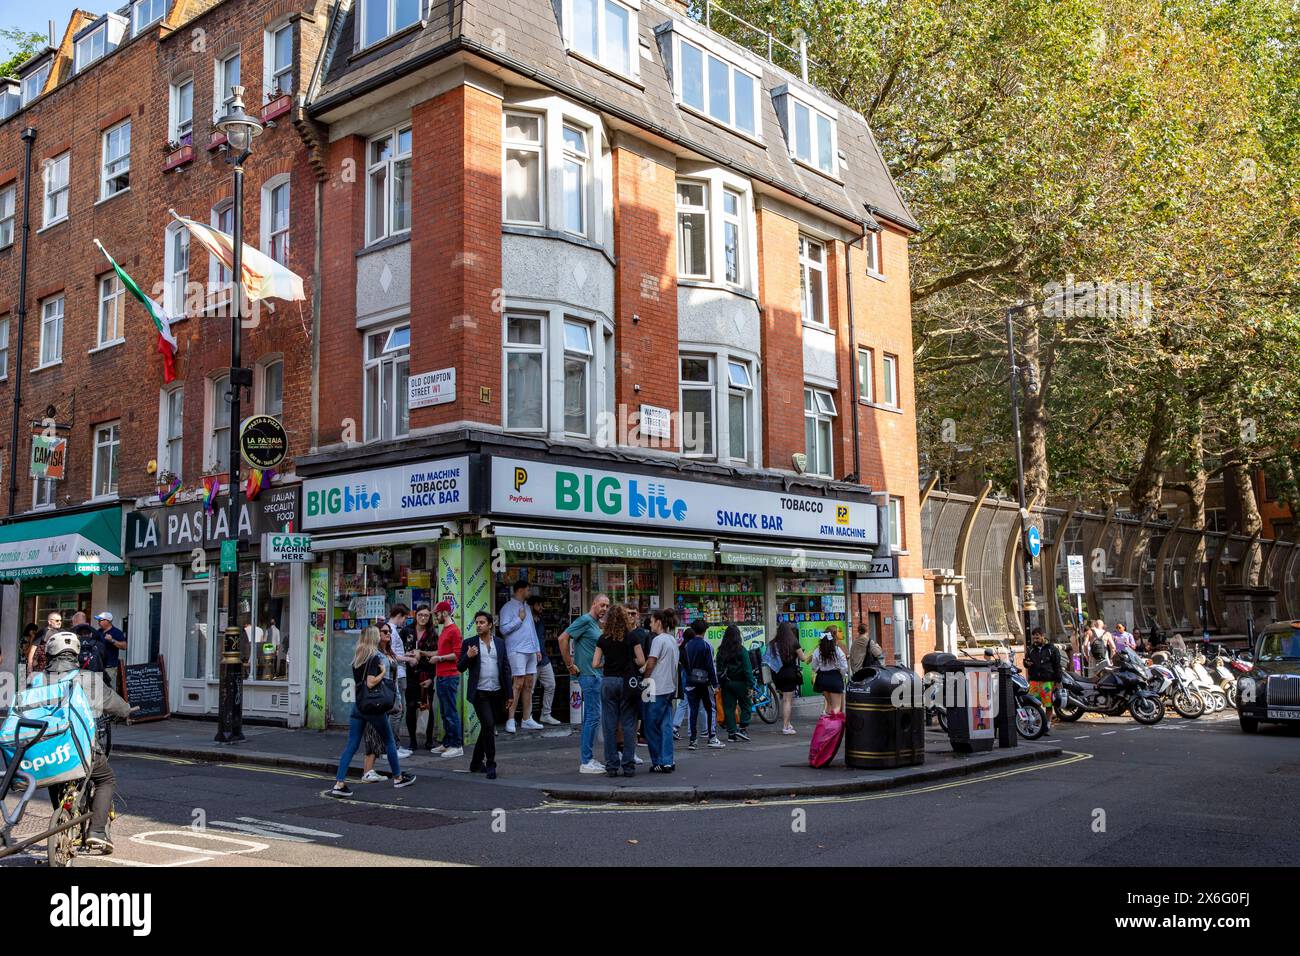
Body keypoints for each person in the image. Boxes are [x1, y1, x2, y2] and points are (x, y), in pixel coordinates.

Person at [41, 630, 134, 852]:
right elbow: (118, 706)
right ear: (76, 654)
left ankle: (62, 815)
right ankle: (98, 831)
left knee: (55, 775)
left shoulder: (39, 680)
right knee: (106, 780)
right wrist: (128, 712)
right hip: (82, 748)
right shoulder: (88, 679)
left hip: (49, 748)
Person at [330, 626, 416, 797]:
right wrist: (383, 672)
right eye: (378, 635)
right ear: (373, 638)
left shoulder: (358, 658)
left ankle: (339, 784)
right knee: (389, 741)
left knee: (352, 745)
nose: (381, 637)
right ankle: (398, 778)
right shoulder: (374, 657)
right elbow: (370, 683)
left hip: (358, 706)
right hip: (372, 707)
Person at [591, 603, 647, 777]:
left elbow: (595, 663)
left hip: (608, 682)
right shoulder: (632, 637)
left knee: (609, 725)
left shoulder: (603, 639)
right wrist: (630, 661)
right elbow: (641, 661)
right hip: (626, 682)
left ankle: (612, 765)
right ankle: (628, 765)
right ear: (624, 618)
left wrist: (606, 663)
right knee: (629, 725)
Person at [558, 593, 610, 774]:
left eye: (607, 606)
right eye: (602, 605)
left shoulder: (595, 624)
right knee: (593, 717)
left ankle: (588, 758)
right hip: (589, 675)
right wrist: (569, 665)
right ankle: (586, 761)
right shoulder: (585, 620)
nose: (604, 609)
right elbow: (562, 638)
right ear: (594, 603)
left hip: (595, 674)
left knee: (592, 717)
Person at [459, 611, 512, 779]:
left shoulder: (500, 643)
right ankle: (491, 763)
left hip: (497, 692)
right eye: (476, 622)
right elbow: (460, 667)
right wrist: (468, 656)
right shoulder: (470, 643)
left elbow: (505, 668)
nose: (478, 625)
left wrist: (510, 694)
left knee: (487, 727)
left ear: (490, 625)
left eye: (482, 622)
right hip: (479, 693)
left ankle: (475, 763)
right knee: (489, 725)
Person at [360, 623, 404, 781]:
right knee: (373, 733)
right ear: (377, 634)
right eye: (385, 631)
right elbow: (372, 679)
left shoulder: (388, 652)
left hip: (388, 696)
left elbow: (394, 679)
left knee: (381, 735)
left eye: (390, 631)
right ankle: (369, 770)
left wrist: (397, 698)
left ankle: (371, 771)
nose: (389, 634)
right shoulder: (374, 654)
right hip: (377, 697)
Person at [499, 580, 543, 733]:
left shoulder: (526, 607)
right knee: (517, 684)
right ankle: (510, 719)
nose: (529, 592)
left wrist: (537, 649)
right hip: (516, 650)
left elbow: (532, 630)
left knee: (529, 684)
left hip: (530, 650)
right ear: (521, 590)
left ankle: (527, 718)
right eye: (527, 589)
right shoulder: (507, 607)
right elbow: (503, 629)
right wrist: (519, 619)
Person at [642, 608, 679, 772]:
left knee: (650, 725)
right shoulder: (672, 640)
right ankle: (668, 760)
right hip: (669, 687)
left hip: (656, 687)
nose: (650, 623)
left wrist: (645, 678)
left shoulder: (658, 640)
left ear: (658, 622)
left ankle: (657, 760)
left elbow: (651, 662)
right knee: (666, 724)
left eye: (651, 620)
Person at [681, 618, 723, 750]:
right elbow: (710, 666)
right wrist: (715, 684)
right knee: (710, 708)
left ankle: (693, 740)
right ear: (705, 630)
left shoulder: (687, 646)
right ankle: (712, 736)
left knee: (693, 710)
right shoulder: (706, 646)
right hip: (704, 682)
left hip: (690, 682)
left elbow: (684, 664)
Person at [431, 600, 463, 758]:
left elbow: (457, 655)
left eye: (437, 613)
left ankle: (457, 745)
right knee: (444, 712)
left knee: (450, 712)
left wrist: (440, 658)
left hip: (449, 676)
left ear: (444, 613)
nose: (436, 616)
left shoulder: (454, 631)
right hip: (442, 675)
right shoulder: (445, 629)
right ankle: (448, 742)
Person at [405, 605, 439, 750]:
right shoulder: (406, 631)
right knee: (411, 707)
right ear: (415, 615)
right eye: (420, 615)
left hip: (427, 674)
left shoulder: (433, 633)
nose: (423, 618)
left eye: (426, 615)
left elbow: (438, 654)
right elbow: (396, 649)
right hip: (410, 675)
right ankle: (412, 741)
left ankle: (429, 740)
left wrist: (432, 677)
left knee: (428, 707)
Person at [715, 624, 755, 742]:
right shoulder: (742, 650)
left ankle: (731, 733)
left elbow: (719, 670)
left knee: (729, 708)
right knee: (746, 705)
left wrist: (720, 684)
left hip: (727, 684)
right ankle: (742, 728)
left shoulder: (721, 651)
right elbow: (748, 669)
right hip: (742, 683)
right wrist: (751, 685)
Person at [773, 622, 810, 734]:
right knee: (787, 700)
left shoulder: (774, 643)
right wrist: (811, 654)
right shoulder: (793, 642)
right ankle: (785, 727)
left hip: (778, 674)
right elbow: (803, 658)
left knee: (785, 699)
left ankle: (788, 723)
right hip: (790, 673)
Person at [528, 595, 560, 724]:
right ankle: (528, 716)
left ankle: (546, 714)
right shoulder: (526, 620)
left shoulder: (540, 620)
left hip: (543, 658)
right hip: (530, 659)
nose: (542, 607)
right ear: (531, 606)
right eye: (539, 605)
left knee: (551, 684)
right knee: (529, 689)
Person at [1024, 626, 1062, 734]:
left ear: (1042, 636)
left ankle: (1047, 725)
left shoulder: (1051, 649)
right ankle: (1035, 724)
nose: (1035, 641)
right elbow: (1025, 662)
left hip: (1048, 682)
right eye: (1034, 638)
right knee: (1033, 704)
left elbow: (1057, 665)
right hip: (1034, 681)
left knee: (1048, 704)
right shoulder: (1030, 649)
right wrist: (1026, 663)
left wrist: (1058, 681)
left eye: (1037, 638)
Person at [810, 629, 849, 715]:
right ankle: (834, 727)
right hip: (835, 678)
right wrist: (842, 674)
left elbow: (813, 666)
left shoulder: (817, 651)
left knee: (829, 705)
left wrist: (819, 671)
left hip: (822, 679)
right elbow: (844, 666)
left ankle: (827, 726)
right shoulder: (838, 650)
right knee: (836, 707)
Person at [95, 612, 127, 689]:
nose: (99, 622)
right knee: (98, 690)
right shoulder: (98, 632)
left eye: (100, 620)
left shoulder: (116, 632)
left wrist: (112, 640)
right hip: (98, 666)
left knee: (110, 689)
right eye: (98, 620)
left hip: (110, 667)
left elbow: (124, 646)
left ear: (108, 621)